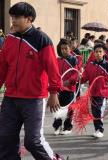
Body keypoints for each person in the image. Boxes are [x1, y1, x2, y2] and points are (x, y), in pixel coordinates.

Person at [0, 2, 64, 159]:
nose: (13, 21)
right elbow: (2, 67)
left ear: (29, 19)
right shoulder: (10, 39)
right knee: (5, 137)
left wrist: (54, 92)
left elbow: (52, 68)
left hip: (34, 99)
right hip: (11, 98)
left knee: (33, 141)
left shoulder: (42, 39)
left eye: (17, 17)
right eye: (12, 17)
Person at [81, 43, 108, 138]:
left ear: (104, 53)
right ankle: (97, 129)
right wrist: (79, 79)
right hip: (92, 92)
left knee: (99, 110)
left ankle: (100, 129)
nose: (98, 53)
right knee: (94, 111)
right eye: (96, 52)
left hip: (102, 92)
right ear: (93, 53)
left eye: (100, 52)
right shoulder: (90, 64)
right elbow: (85, 76)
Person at [53, 39, 78, 135]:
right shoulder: (57, 60)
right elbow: (54, 73)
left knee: (70, 109)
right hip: (59, 89)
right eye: (62, 48)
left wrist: (69, 81)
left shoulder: (73, 60)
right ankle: (57, 126)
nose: (64, 50)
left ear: (70, 48)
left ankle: (67, 127)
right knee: (57, 108)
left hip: (70, 89)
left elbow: (76, 73)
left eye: (66, 48)